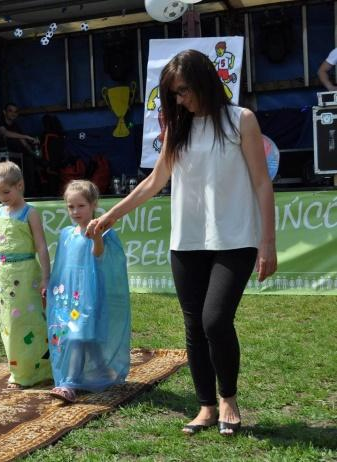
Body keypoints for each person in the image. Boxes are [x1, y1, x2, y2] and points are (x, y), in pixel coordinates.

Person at [86, 49, 277, 436]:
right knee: (194, 325)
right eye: (173, 93)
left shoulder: (242, 119)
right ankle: (206, 406)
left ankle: (228, 398)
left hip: (235, 238)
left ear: (205, 81)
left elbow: (261, 181)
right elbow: (153, 183)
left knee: (215, 320)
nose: (179, 99)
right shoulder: (178, 128)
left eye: (183, 90)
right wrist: (110, 216)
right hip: (186, 241)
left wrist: (268, 243)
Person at [47, 180, 131, 403]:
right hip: (70, 296)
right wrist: (53, 288)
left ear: (93, 204)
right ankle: (103, 371)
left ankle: (68, 383)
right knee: (86, 335)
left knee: (77, 335)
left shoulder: (102, 232)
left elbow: (99, 256)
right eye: (70, 206)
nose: (75, 211)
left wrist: (96, 238)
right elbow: (62, 266)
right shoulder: (66, 234)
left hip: (90, 295)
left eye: (81, 206)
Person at [0, 161, 52, 388]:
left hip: (25, 275)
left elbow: (41, 246)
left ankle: (32, 372)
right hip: (3, 278)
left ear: (20, 185)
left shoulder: (30, 213)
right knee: (8, 323)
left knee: (27, 322)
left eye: (6, 191)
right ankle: (19, 368)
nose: (2, 197)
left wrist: (45, 276)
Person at [0, 103, 40, 195]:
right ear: (4, 112)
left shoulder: (16, 125)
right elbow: (5, 133)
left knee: (29, 161)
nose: (13, 113)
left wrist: (32, 153)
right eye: (10, 111)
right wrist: (26, 136)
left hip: (15, 155)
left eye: (15, 111)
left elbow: (23, 142)